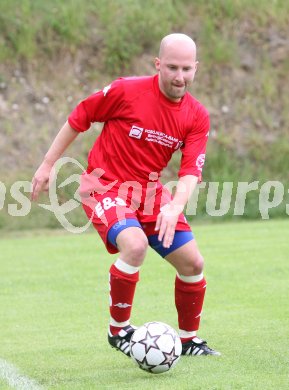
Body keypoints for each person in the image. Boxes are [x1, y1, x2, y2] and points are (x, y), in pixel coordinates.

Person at [32, 33, 220, 357]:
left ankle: (189, 340)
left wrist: (174, 207)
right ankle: (118, 331)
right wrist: (47, 165)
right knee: (135, 245)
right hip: (104, 186)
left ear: (196, 69)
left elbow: (191, 171)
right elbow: (80, 117)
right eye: (172, 67)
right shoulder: (125, 91)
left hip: (150, 192)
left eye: (186, 69)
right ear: (158, 64)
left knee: (193, 263)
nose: (179, 76)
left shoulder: (196, 116)